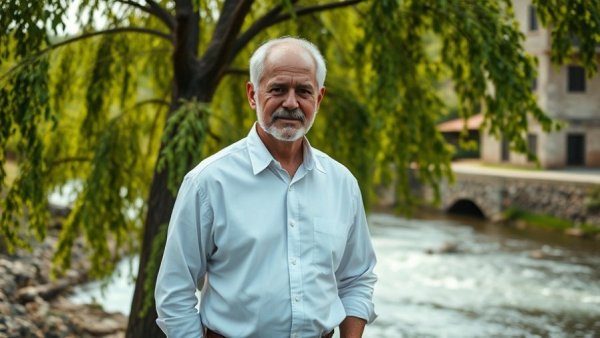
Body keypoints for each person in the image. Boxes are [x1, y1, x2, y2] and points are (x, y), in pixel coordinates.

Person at [155, 36, 377, 338]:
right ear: (252, 94)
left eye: (303, 91)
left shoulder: (343, 185)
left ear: (319, 98)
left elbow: (357, 279)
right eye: (277, 89)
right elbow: (174, 292)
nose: (290, 102)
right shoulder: (208, 182)